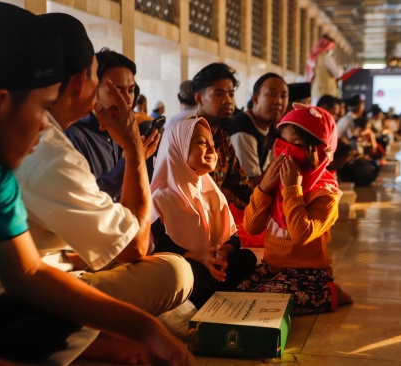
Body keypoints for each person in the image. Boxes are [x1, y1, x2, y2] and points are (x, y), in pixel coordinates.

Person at [0, 3, 192, 366]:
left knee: (58, 309)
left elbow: (26, 273)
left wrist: (145, 329)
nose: (45, 126)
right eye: (42, 108)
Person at [236, 104, 352, 314]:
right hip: (271, 268)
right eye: (283, 142)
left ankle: (330, 293)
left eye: (297, 144)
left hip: (307, 275)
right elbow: (252, 227)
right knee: (235, 291)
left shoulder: (325, 194)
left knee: (269, 299)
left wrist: (292, 190)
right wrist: (264, 188)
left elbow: (301, 234)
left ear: (320, 151)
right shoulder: (276, 181)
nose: (287, 151)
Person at [150, 118, 257, 309]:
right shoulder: (161, 197)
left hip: (213, 265)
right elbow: (161, 247)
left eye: (213, 145)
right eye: (202, 143)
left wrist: (223, 252)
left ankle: (209, 292)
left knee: (247, 258)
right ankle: (210, 292)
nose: (212, 151)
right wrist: (199, 256)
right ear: (178, 147)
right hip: (187, 266)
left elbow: (233, 239)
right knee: (182, 272)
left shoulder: (211, 191)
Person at [66, 48, 158, 201]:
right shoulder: (74, 136)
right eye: (116, 90)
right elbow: (88, 201)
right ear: (94, 89)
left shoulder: (122, 131)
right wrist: (131, 159)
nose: (126, 99)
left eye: (131, 90)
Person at [192, 62, 252, 208]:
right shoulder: (187, 136)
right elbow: (196, 192)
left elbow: (240, 184)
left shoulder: (222, 137)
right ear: (200, 99)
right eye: (219, 94)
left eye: (231, 94)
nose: (228, 101)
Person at [229, 72, 288, 187]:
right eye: (272, 94)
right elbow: (253, 183)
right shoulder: (243, 128)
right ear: (255, 98)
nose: (278, 102)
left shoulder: (272, 128)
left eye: (283, 96)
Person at [305, 34, 342, 103]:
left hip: (316, 91)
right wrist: (341, 70)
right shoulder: (326, 57)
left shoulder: (313, 57)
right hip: (327, 93)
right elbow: (337, 74)